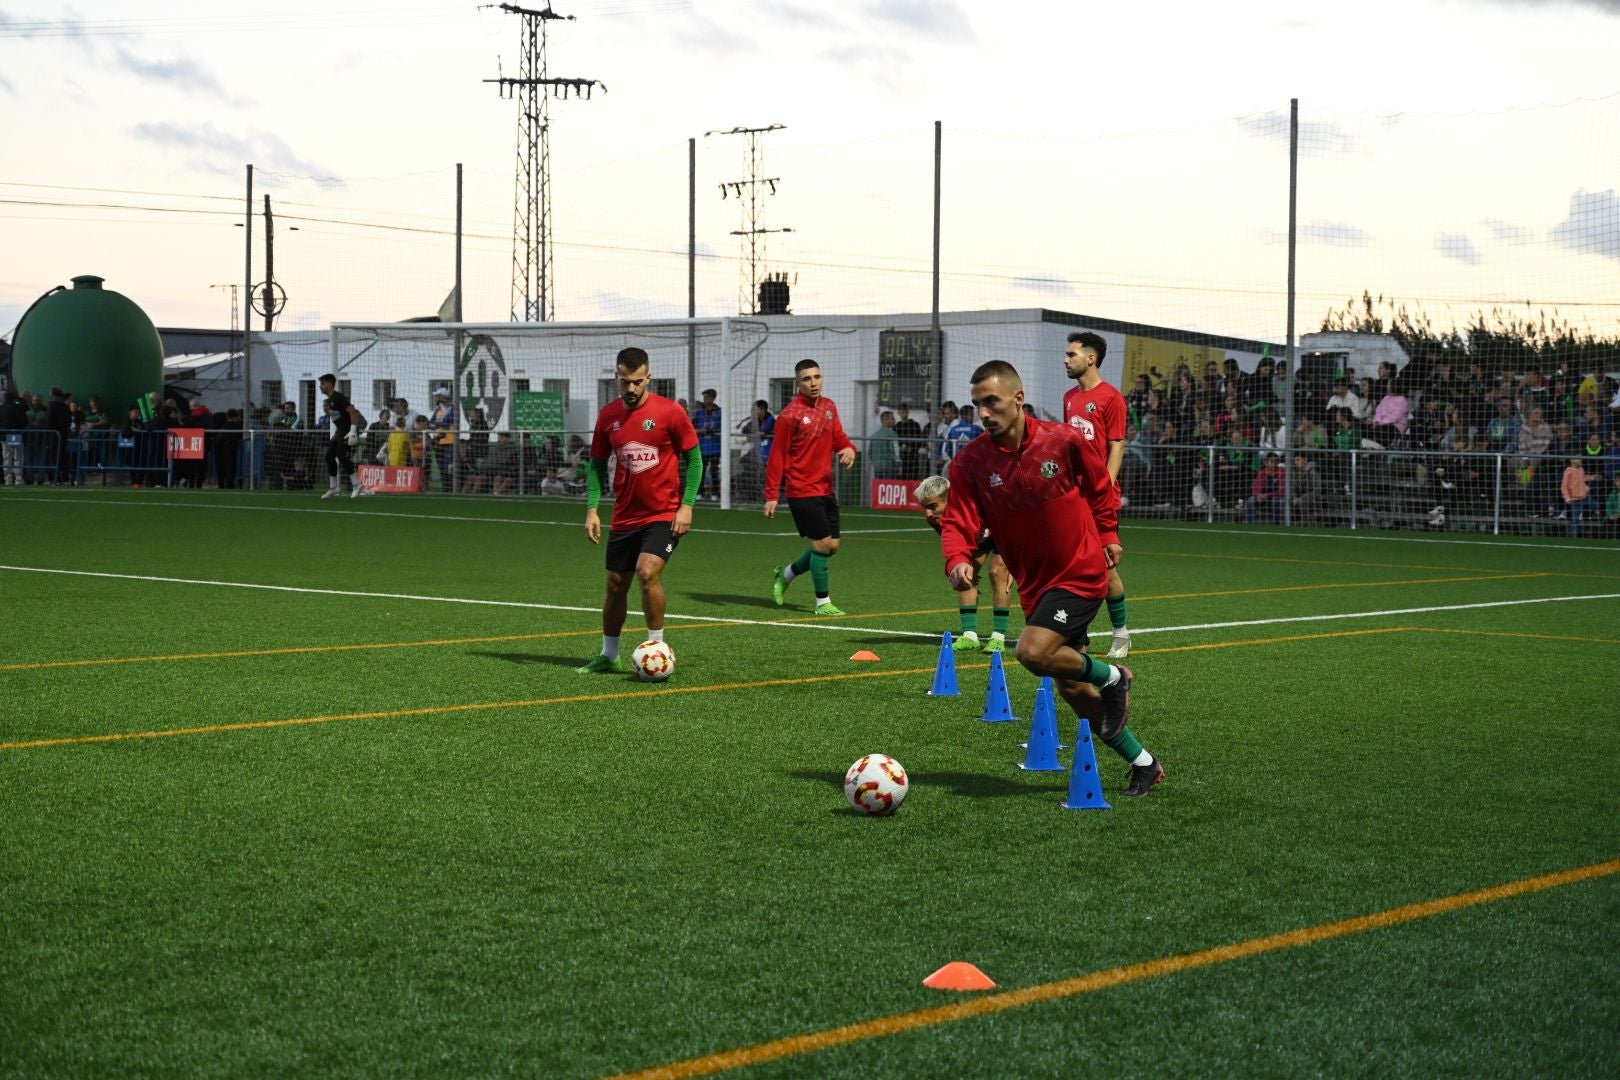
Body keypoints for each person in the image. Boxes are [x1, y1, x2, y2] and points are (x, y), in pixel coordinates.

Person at [941, 359, 1162, 798]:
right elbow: (957, 521)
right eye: (977, 404)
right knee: (1076, 692)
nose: (983, 413)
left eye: (992, 402)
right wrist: (957, 561)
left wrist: (1109, 533)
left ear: (1018, 400)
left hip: (1080, 572)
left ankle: (1116, 677)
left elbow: (1100, 486)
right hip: (1038, 586)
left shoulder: (1062, 441)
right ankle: (1145, 763)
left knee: (1032, 651)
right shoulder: (970, 463)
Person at [577, 347, 701, 674]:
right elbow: (596, 466)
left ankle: (657, 647)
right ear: (616, 379)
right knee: (616, 584)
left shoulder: (671, 412)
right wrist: (592, 508)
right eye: (624, 382)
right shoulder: (608, 416)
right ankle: (609, 654)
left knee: (648, 572)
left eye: (637, 382)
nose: (630, 389)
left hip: (664, 514)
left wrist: (686, 505)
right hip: (625, 516)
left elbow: (694, 459)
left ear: (648, 378)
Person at [765, 358, 858, 616]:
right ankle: (823, 603)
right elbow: (777, 456)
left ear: (822, 378)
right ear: (798, 383)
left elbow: (837, 436)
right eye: (807, 379)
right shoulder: (789, 415)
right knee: (821, 545)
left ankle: (785, 575)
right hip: (801, 490)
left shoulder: (829, 406)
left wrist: (848, 448)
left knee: (833, 546)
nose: (813, 383)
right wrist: (772, 494)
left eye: (816, 377)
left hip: (826, 488)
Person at [1061, 331, 1134, 659]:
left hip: (1100, 496)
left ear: (1091, 358)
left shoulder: (1111, 398)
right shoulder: (1069, 398)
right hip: (1072, 496)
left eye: (1072, 354)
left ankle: (1121, 632)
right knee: (1071, 565)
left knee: (1105, 567)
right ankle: (1077, 632)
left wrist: (1105, 484)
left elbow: (1117, 444)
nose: (1066, 359)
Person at [917, 474, 1012, 652]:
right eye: (924, 507)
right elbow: (954, 545)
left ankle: (998, 637)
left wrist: (1015, 560)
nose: (928, 513)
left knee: (997, 572)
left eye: (932, 506)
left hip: (1004, 531)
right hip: (979, 537)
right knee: (965, 574)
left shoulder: (979, 501)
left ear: (949, 499)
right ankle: (970, 636)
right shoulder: (935, 519)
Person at [317, 373, 373, 499]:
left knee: (341, 456)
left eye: (322, 383)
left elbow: (353, 412)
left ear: (330, 384)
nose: (320, 387)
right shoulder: (330, 400)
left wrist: (353, 431)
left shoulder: (339, 397)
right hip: (340, 431)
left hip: (348, 431)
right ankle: (333, 488)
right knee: (329, 456)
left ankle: (357, 485)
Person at [693, 388, 722, 499]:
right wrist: (700, 431)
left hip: (715, 447)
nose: (705, 399)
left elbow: (722, 428)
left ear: (713, 398)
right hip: (703, 447)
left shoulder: (720, 412)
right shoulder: (699, 412)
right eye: (704, 397)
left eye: (707, 397)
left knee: (714, 471)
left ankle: (716, 493)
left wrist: (713, 430)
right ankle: (699, 493)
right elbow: (692, 428)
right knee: (701, 470)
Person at [1560, 455, 1597, 538]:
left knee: (1597, 506)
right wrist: (1567, 498)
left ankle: (1589, 515)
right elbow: (1564, 486)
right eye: (1578, 458)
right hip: (1575, 500)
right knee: (1575, 520)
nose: (1581, 460)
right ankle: (1574, 537)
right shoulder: (1568, 471)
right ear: (1572, 460)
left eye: (1581, 458)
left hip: (1585, 497)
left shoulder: (1581, 469)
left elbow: (1582, 478)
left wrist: (1591, 477)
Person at [1246, 453, 1284, 523]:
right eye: (1272, 462)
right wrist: (1258, 495)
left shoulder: (1282, 472)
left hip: (1276, 497)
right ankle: (1251, 524)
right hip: (1263, 499)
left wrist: (1267, 495)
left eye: (1276, 462)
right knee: (1251, 500)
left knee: (1276, 500)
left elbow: (1281, 491)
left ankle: (1277, 524)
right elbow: (1255, 488)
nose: (1274, 464)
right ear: (1265, 462)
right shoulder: (1262, 472)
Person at [893, 403, 924, 480]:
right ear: (898, 413)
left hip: (913, 457)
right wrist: (900, 448)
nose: (903, 414)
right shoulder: (897, 427)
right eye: (901, 412)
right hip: (901, 458)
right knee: (902, 479)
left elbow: (920, 441)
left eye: (905, 412)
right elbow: (895, 443)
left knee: (914, 478)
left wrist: (912, 449)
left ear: (908, 412)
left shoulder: (915, 425)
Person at [867, 410, 898, 478]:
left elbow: (870, 453)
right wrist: (898, 466)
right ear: (886, 421)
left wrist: (875, 463)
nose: (894, 420)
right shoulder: (892, 434)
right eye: (892, 418)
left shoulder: (874, 436)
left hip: (877, 468)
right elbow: (895, 452)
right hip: (890, 468)